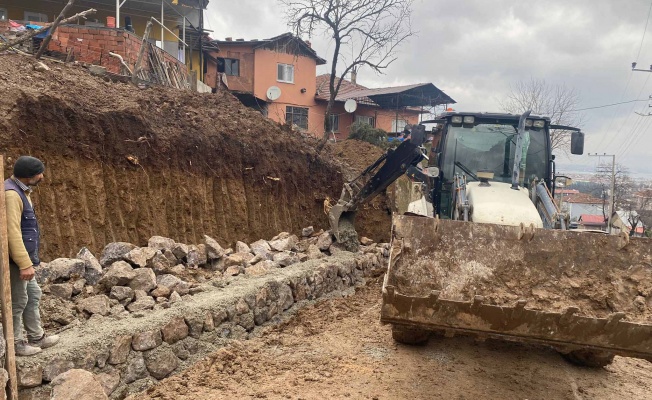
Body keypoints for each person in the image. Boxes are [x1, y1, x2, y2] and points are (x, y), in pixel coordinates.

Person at [5, 156, 59, 356]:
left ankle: (37, 337)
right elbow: (11, 233)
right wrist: (24, 264)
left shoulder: (22, 190)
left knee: (33, 294)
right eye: (39, 173)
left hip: (22, 260)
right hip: (14, 262)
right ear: (29, 176)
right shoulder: (12, 195)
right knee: (18, 301)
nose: (42, 176)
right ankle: (17, 343)